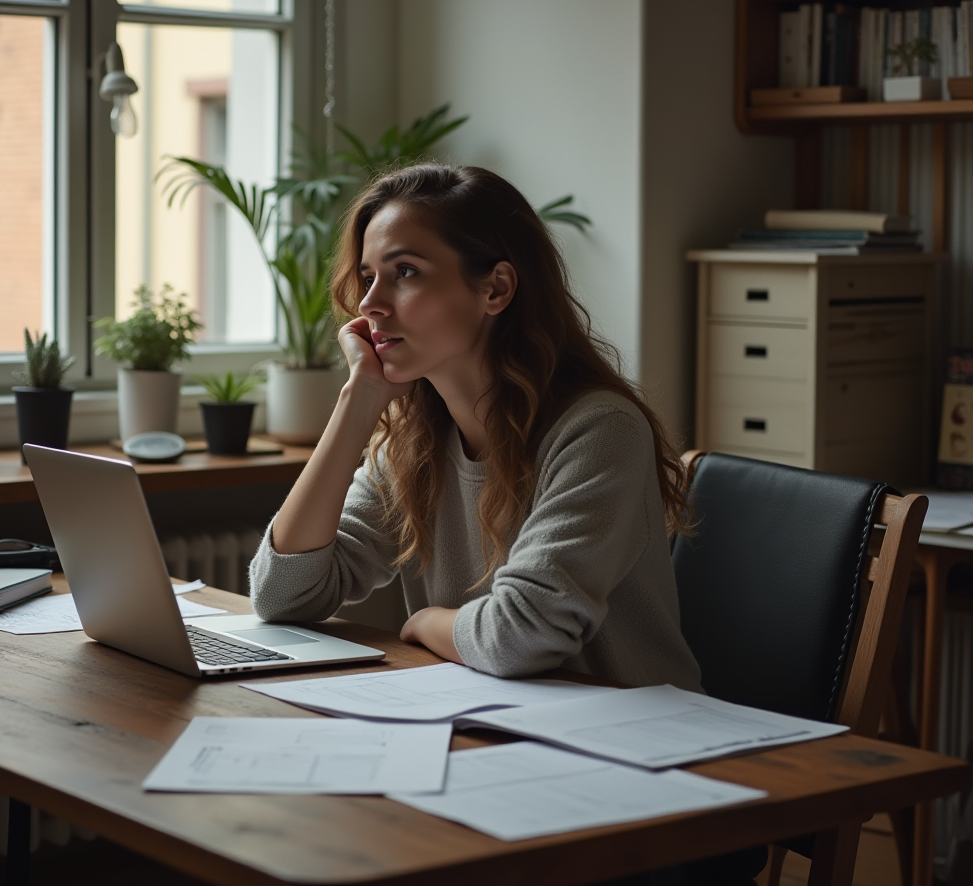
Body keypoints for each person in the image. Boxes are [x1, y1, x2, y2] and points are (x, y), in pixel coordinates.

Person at [249, 163, 701, 693]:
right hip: (490, 718)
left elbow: (522, 635)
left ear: (496, 288)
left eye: (406, 272)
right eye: (369, 277)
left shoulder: (599, 432)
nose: (370, 303)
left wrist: (426, 623)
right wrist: (359, 400)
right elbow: (282, 596)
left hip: (636, 740)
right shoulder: (411, 440)